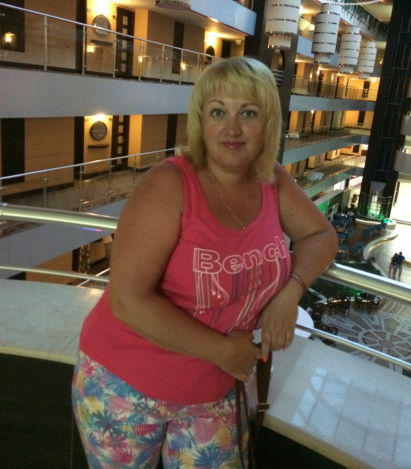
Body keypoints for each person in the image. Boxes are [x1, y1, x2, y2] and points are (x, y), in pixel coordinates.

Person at [72, 56, 338, 468]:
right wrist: (224, 351)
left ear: (268, 122)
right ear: (201, 121)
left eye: (247, 113)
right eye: (218, 112)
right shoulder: (170, 184)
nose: (232, 128)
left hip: (214, 388)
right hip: (125, 385)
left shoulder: (272, 180)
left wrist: (291, 292)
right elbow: (127, 300)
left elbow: (321, 236)